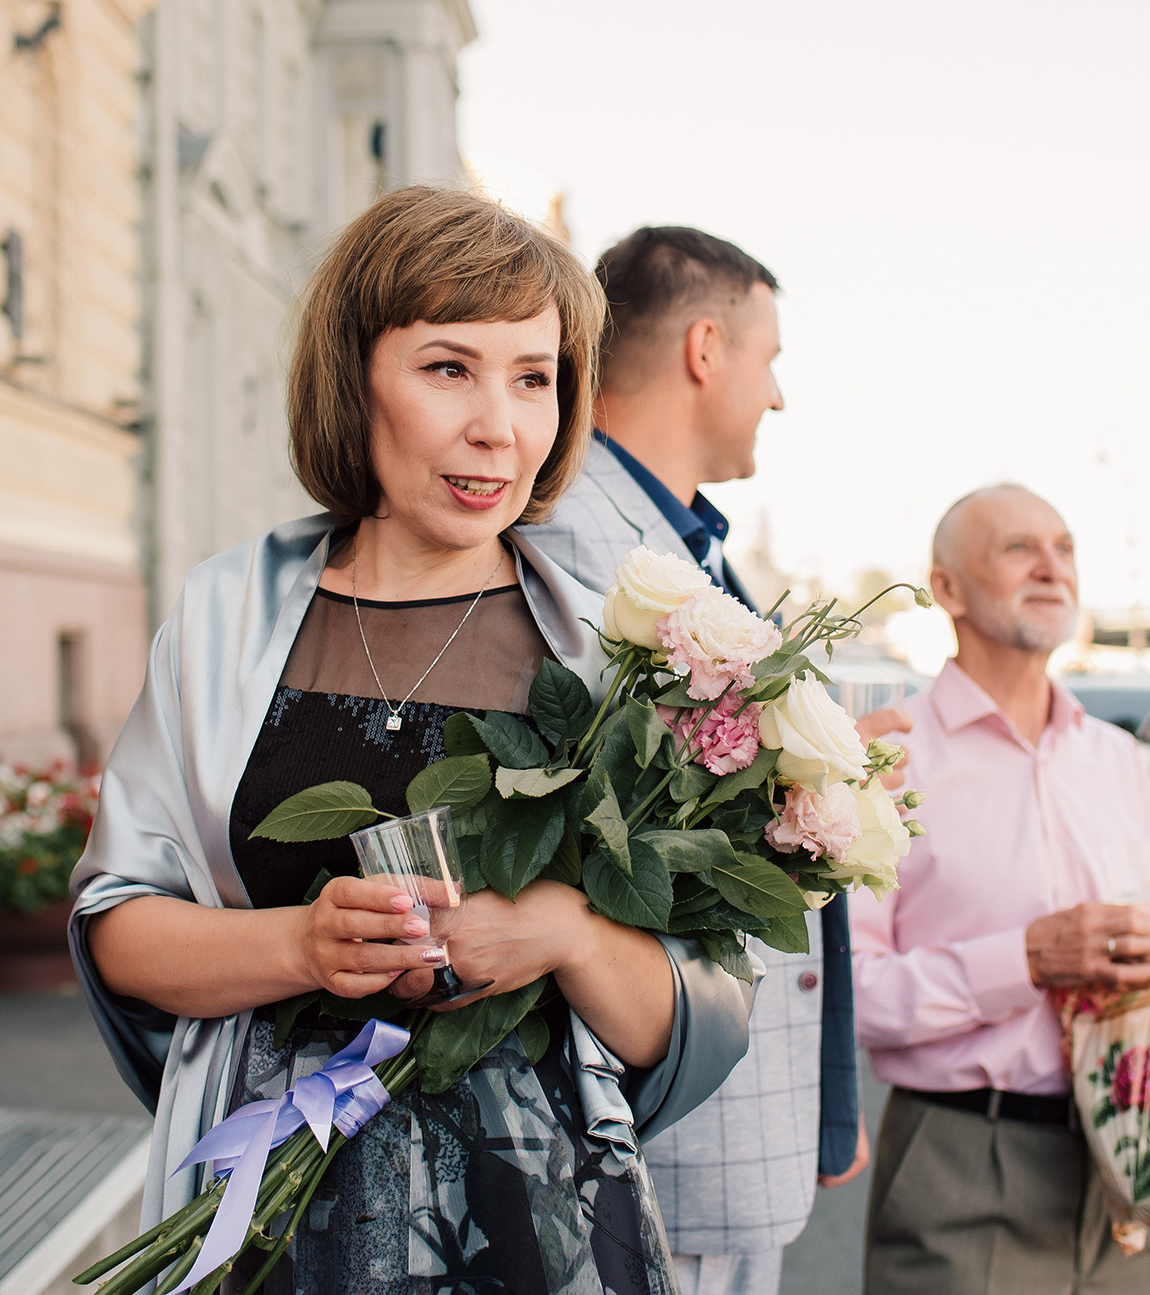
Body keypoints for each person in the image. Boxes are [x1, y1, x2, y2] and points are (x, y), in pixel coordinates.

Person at [70, 187, 752, 1294]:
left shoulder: (616, 645)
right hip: (270, 1221)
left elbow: (700, 1007)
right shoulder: (224, 614)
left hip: (538, 1226)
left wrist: (564, 931)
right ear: (354, 380)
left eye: (532, 377)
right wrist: (299, 945)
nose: (498, 426)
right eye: (448, 368)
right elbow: (120, 928)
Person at [518, 226, 871, 1295]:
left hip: (720, 1121)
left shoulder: (684, 542)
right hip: (655, 1137)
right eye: (768, 360)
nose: (776, 396)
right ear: (704, 348)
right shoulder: (576, 537)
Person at [853, 485, 1150, 1294]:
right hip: (962, 1164)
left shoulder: (1125, 764)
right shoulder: (885, 762)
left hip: (1127, 1159)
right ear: (944, 587)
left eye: (1066, 547)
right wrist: (1023, 959)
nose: (1053, 567)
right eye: (1021, 548)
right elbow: (847, 995)